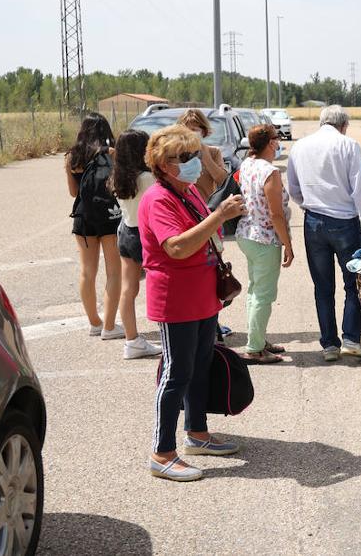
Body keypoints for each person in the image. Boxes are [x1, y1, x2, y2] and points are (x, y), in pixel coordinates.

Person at [140, 125, 246, 481]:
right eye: (185, 158)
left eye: (194, 155)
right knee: (176, 374)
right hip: (176, 299)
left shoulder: (188, 191)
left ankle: (196, 433)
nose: (194, 163)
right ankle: (162, 452)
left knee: (200, 367)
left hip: (202, 296)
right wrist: (219, 216)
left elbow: (205, 237)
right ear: (165, 165)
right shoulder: (158, 199)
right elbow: (176, 246)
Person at [286, 105, 361, 361]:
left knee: (322, 286)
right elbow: (359, 189)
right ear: (344, 125)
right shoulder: (348, 145)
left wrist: (308, 204)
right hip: (345, 222)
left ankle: (329, 344)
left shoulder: (300, 146)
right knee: (353, 283)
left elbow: (293, 187)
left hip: (313, 221)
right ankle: (351, 338)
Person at [235, 124, 294, 363]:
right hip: (264, 238)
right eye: (276, 138)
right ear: (270, 143)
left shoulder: (247, 164)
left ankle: (257, 337)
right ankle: (254, 347)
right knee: (264, 294)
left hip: (246, 234)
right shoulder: (270, 172)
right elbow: (276, 213)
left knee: (254, 289)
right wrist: (287, 244)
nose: (278, 142)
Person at [65, 112, 124, 340]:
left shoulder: (73, 157)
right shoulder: (113, 153)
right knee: (113, 271)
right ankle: (110, 326)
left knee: (87, 271)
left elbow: (73, 192)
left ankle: (94, 323)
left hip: (83, 215)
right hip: (110, 214)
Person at [109, 129, 163, 360]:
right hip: (148, 235)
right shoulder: (148, 178)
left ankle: (132, 340)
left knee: (129, 289)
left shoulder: (118, 178)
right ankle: (169, 331)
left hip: (126, 232)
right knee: (160, 285)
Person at [176, 108, 228, 200]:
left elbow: (223, 181)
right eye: (185, 130)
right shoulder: (174, 154)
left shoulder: (214, 152)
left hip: (205, 209)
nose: (189, 134)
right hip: (181, 208)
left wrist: (206, 158)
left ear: (203, 131)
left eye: (193, 130)